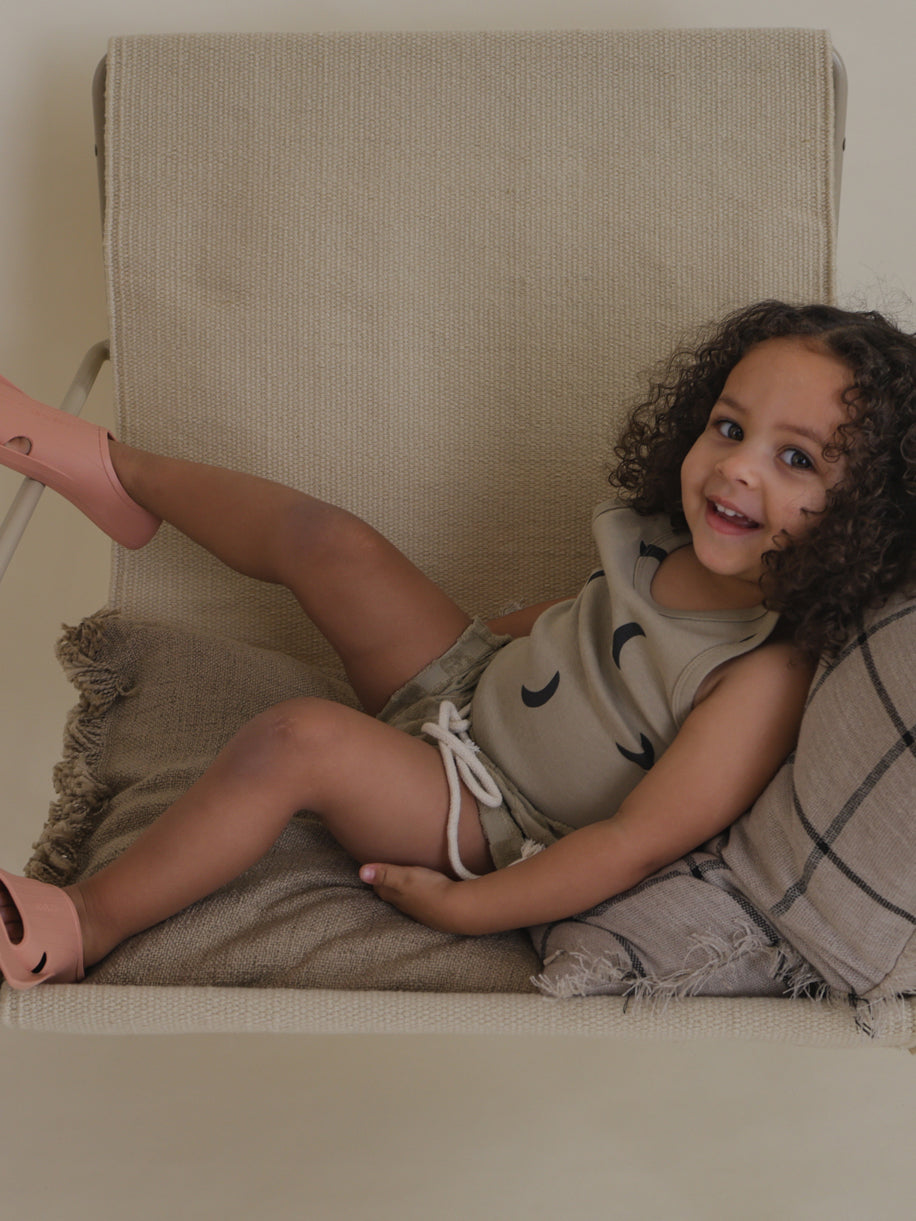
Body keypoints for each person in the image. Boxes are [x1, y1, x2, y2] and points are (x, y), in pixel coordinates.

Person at [1, 300, 915, 990]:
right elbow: (595, 617)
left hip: (488, 816)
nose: (737, 465)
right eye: (729, 425)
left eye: (797, 459)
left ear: (866, 517)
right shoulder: (669, 536)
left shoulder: (764, 670)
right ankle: (109, 468)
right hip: (469, 686)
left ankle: (86, 919)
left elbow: (636, 842)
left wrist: (471, 903)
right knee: (333, 543)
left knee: (300, 739)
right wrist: (501, 632)